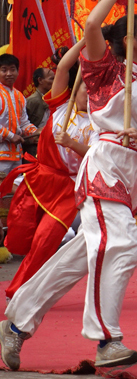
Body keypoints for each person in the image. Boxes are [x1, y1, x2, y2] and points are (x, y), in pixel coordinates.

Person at [1, 0, 137, 370]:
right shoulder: (107, 70)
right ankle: (106, 339)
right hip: (104, 166)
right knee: (123, 244)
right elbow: (91, 29)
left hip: (136, 171)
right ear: (127, 40)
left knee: (78, 258)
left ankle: (15, 324)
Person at [0, 40, 92, 300]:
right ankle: (34, 281)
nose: (92, 93)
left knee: (44, 240)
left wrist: (72, 143)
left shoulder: (99, 123)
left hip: (66, 189)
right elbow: (63, 67)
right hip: (39, 178)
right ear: (77, 88)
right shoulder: (61, 104)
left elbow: (97, 154)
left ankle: (19, 290)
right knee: (19, 232)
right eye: (87, 87)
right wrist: (85, 40)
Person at [0, 54, 38, 178]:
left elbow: (24, 123)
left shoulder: (19, 96)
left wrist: (37, 133)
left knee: (14, 192)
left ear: (18, 71)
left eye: (12, 69)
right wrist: (11, 136)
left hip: (16, 154)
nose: (9, 73)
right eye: (4, 70)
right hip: (1, 154)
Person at [23, 68, 54, 156]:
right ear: (40, 80)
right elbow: (22, 126)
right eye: (51, 79)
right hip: (34, 149)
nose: (55, 81)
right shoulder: (32, 101)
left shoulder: (53, 98)